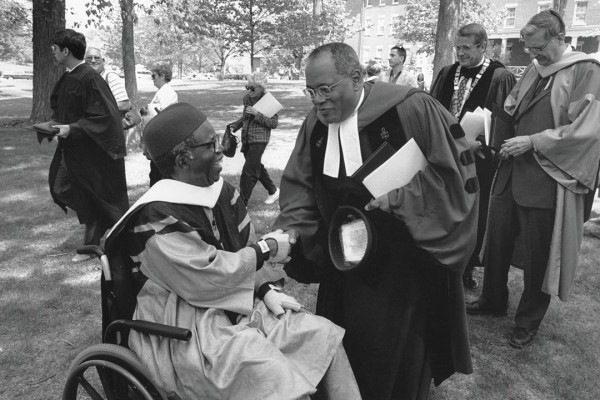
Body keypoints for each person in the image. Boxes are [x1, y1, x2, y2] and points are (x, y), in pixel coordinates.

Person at [105, 102, 362, 400]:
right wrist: (265, 249)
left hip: (238, 299)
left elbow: (242, 245)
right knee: (270, 373)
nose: (222, 149)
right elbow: (204, 277)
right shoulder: (154, 216)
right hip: (184, 319)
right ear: (183, 159)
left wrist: (265, 288)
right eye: (211, 144)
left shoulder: (222, 192)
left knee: (321, 336)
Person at [273, 42, 478, 400]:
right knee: (345, 343)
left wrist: (399, 199)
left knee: (396, 358)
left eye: (325, 89)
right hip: (345, 259)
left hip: (405, 263)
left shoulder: (412, 108)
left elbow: (455, 179)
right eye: (311, 92)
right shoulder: (315, 124)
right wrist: (295, 226)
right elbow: (299, 184)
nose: (317, 101)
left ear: (355, 78)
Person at [466, 10, 600, 349]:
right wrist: (490, 132)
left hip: (548, 176)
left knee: (539, 253)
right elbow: (514, 107)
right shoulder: (534, 68)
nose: (533, 54)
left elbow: (587, 129)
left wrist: (534, 141)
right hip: (512, 170)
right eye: (529, 49)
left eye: (538, 47)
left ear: (558, 37)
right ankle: (493, 299)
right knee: (496, 240)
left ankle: (527, 321)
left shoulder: (586, 70)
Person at [430, 23, 517, 290]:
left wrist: (481, 143)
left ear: (483, 46)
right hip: (447, 156)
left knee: (473, 215)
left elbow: (504, 121)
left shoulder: (499, 76)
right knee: (445, 209)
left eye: (466, 48)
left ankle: (466, 268)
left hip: (478, 160)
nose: (460, 53)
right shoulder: (447, 73)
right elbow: (433, 110)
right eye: (457, 47)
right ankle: (440, 262)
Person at [48, 29, 129, 262]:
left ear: (66, 51)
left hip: (92, 151)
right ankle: (102, 219)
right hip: (72, 148)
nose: (52, 52)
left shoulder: (90, 78)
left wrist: (72, 128)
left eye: (55, 48)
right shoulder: (69, 76)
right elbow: (61, 107)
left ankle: (94, 240)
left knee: (88, 194)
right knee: (59, 188)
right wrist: (54, 125)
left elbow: (107, 117)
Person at [230, 72, 280, 206]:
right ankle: (273, 191)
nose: (249, 91)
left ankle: (242, 203)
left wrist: (257, 114)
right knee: (256, 166)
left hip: (260, 139)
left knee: (249, 170)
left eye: (253, 88)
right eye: (248, 87)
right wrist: (235, 126)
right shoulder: (247, 98)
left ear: (261, 87)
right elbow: (245, 117)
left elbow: (273, 124)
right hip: (247, 137)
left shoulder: (269, 101)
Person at [140, 61, 178, 186]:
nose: (152, 79)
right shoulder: (162, 91)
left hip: (163, 141)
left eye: (154, 76)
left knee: (159, 175)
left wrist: (147, 113)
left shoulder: (167, 93)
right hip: (159, 139)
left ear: (162, 76)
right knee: (156, 173)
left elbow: (162, 115)